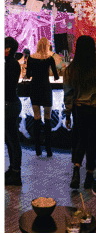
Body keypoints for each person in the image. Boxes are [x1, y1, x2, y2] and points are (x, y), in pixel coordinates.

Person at [64, 35, 96, 189]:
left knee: (81, 140)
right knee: (92, 141)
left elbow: (68, 94)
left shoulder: (71, 69)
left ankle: (76, 171)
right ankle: (89, 177)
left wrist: (68, 113)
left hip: (79, 108)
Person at [26, 37, 60, 157]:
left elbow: (28, 75)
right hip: (45, 88)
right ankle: (49, 150)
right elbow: (56, 76)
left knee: (36, 117)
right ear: (47, 46)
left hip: (34, 87)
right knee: (47, 118)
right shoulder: (49, 58)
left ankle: (37, 149)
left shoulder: (30, 58)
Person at [5, 37, 23, 186]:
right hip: (10, 103)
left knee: (12, 140)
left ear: (8, 49)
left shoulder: (10, 64)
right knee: (9, 140)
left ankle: (16, 172)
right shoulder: (10, 63)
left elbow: (7, 86)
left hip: (9, 104)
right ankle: (12, 169)